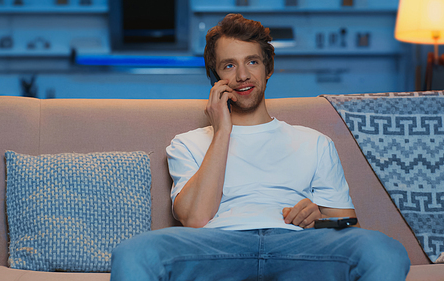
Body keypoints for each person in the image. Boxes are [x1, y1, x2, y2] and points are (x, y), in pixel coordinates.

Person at [110, 14, 410, 280]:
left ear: (268, 68)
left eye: (252, 61)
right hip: (217, 247)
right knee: (133, 252)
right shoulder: (186, 143)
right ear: (216, 78)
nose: (242, 76)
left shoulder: (315, 141)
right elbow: (195, 219)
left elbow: (351, 232)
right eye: (229, 65)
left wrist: (318, 216)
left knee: (385, 251)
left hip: (298, 247)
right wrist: (223, 130)